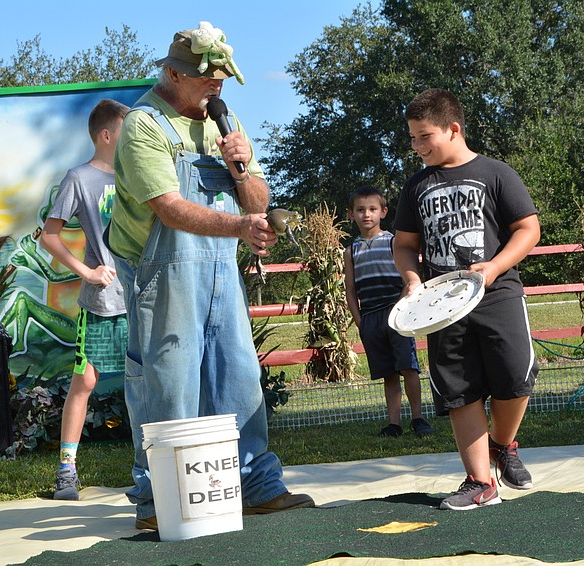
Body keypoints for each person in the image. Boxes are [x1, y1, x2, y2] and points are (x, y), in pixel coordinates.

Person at [107, 23, 314, 530]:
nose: (218, 86)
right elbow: (171, 210)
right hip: (162, 274)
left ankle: (257, 486)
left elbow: (259, 202)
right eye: (207, 77)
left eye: (223, 76)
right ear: (174, 73)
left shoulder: (225, 120)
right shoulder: (143, 126)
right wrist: (242, 226)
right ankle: (157, 502)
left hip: (221, 267)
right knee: (168, 386)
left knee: (240, 378)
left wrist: (242, 169)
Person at [393, 88, 541, 511]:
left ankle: (503, 444)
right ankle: (479, 482)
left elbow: (528, 229)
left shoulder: (496, 173)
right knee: (459, 390)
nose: (418, 146)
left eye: (425, 136)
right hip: (442, 306)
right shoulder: (416, 186)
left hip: (498, 295)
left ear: (453, 129)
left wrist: (493, 268)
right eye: (413, 139)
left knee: (515, 376)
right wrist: (412, 279)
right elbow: (404, 244)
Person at [39, 99, 130, 501]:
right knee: (86, 380)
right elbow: (49, 235)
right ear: (107, 136)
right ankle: (66, 471)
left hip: (143, 296)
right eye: (127, 132)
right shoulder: (79, 178)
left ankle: (157, 462)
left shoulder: (138, 174)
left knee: (150, 379)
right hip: (101, 300)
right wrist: (88, 272)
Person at [343, 186, 434, 438]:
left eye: (372, 209)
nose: (366, 215)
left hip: (397, 315)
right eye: (360, 210)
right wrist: (360, 322)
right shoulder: (351, 251)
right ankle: (394, 423)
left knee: (408, 368)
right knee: (388, 374)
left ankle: (418, 418)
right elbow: (350, 290)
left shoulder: (394, 242)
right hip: (371, 317)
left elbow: (409, 279)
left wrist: (402, 308)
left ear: (383, 211)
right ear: (351, 214)